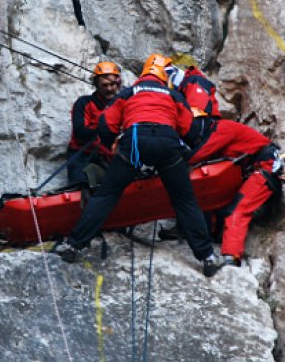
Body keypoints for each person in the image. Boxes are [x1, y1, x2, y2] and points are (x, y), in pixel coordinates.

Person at [56, 53, 225, 277]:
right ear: (164, 76)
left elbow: (106, 126)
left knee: (107, 195)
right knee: (184, 200)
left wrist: (114, 147)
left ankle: (74, 245)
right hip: (167, 144)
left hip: (134, 143)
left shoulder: (127, 93)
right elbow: (192, 132)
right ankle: (207, 257)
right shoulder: (173, 95)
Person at [167, 57, 285, 266]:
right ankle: (209, 236)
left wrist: (172, 158)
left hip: (267, 167)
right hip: (257, 169)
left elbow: (198, 155)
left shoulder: (221, 129)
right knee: (213, 199)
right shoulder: (218, 133)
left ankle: (231, 258)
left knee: (238, 210)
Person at [66, 61, 122, 193]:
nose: (109, 89)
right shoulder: (84, 103)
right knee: (79, 190)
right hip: (83, 155)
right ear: (97, 85)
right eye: (105, 85)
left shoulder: (122, 105)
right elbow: (80, 132)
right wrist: (107, 129)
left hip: (110, 157)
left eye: (113, 84)